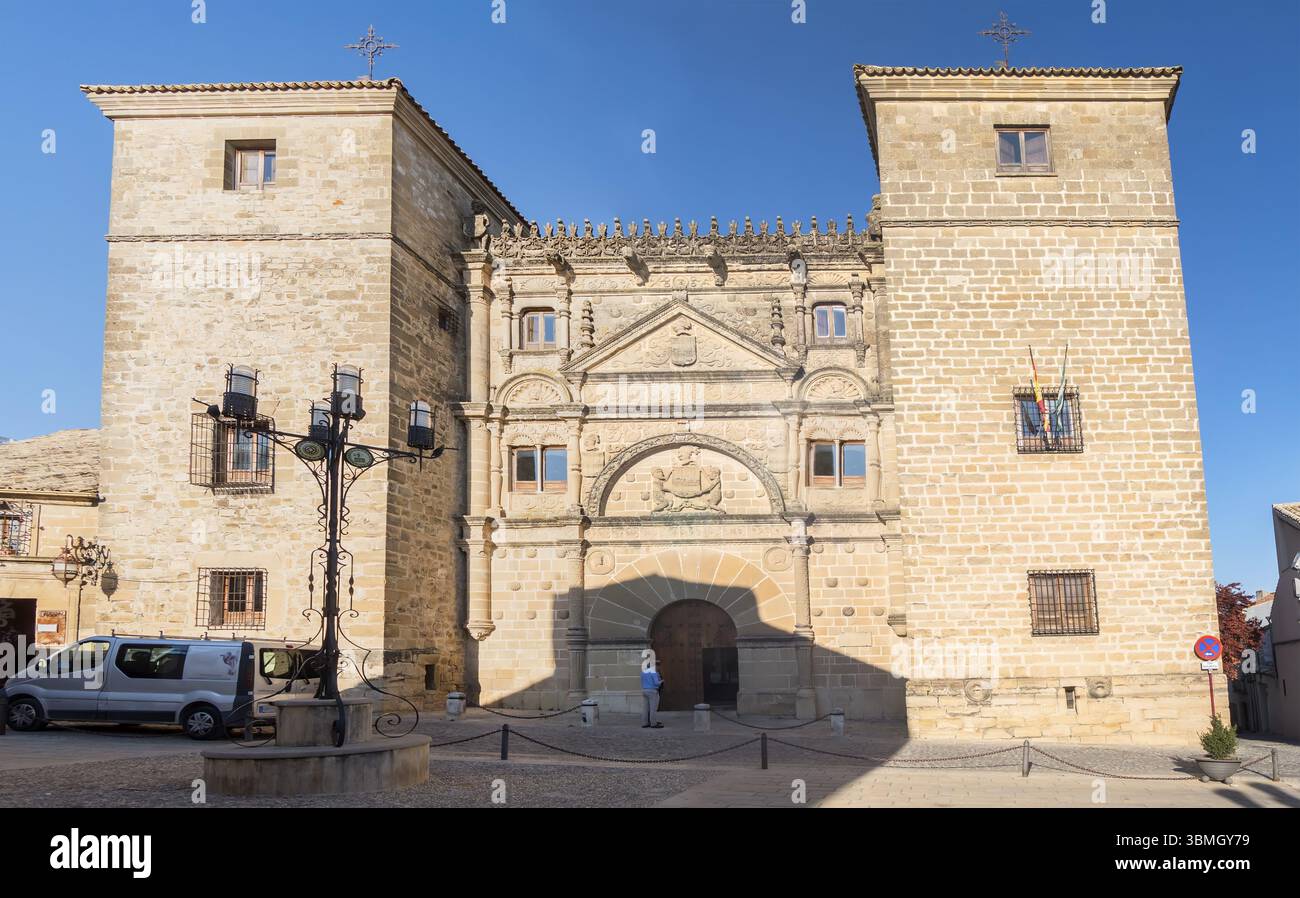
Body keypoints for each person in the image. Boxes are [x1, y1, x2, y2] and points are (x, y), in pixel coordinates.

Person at [641, 661, 664, 728]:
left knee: (645, 708)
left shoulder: (643, 672)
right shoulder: (653, 672)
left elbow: (642, 682)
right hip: (652, 691)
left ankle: (645, 723)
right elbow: (656, 683)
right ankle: (653, 723)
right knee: (653, 708)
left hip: (644, 690)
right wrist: (662, 681)